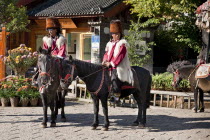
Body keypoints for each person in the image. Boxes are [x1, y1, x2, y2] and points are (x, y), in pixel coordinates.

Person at [102, 20, 134, 101]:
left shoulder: (122, 44)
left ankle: (116, 95)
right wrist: (105, 61)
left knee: (114, 77)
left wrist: (112, 63)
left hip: (119, 65)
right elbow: (106, 54)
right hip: (108, 65)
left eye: (118, 34)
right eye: (115, 34)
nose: (116, 35)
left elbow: (120, 56)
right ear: (112, 35)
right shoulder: (109, 44)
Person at [32, 17, 67, 85]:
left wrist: (58, 57)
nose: (49, 31)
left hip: (59, 57)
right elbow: (44, 49)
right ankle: (35, 78)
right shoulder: (46, 39)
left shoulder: (61, 39)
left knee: (62, 65)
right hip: (49, 57)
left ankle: (62, 80)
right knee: (40, 62)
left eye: (51, 29)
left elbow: (62, 49)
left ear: (56, 30)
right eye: (48, 30)